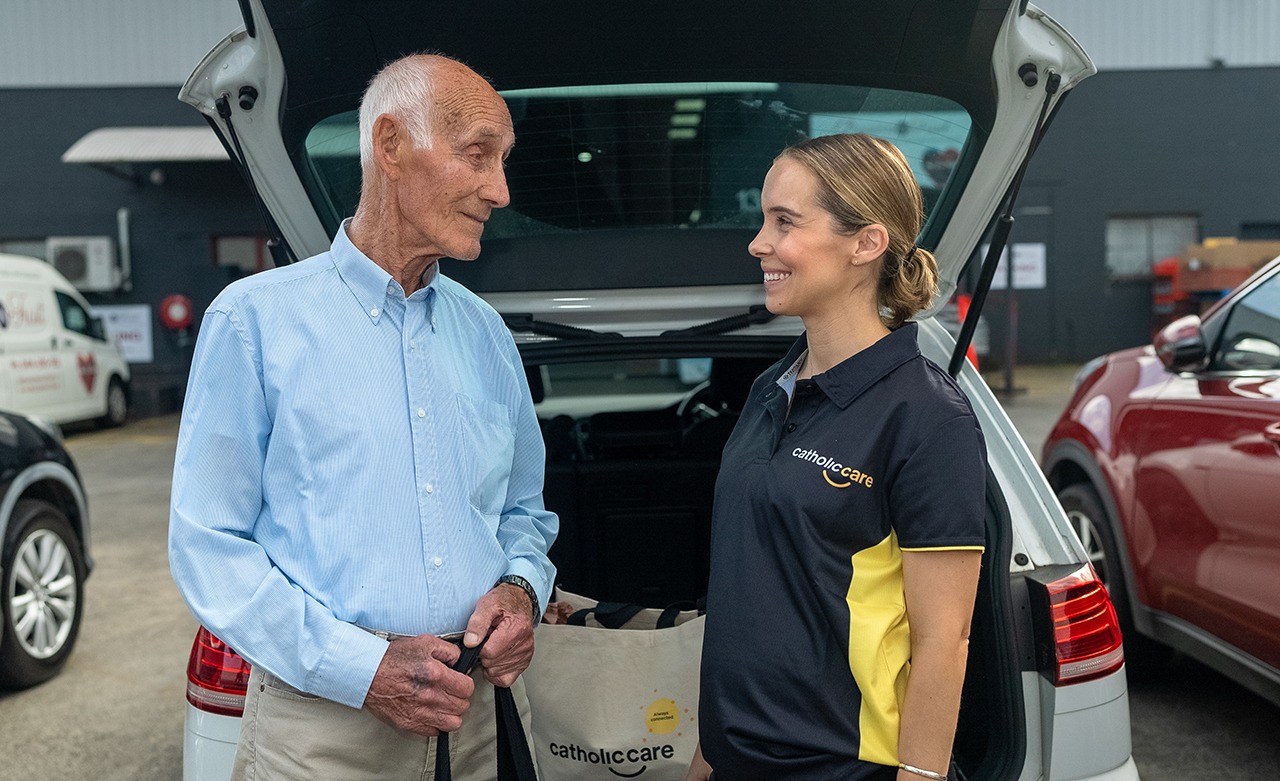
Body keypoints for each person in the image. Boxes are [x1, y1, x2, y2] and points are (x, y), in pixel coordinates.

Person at [169, 53, 557, 780]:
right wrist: (362, 667)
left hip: (479, 718)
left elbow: (523, 512)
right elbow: (209, 543)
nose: (500, 190)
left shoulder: (487, 334)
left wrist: (522, 588)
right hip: (324, 729)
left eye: (504, 162)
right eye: (479, 154)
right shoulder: (255, 322)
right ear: (389, 145)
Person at [686, 133, 987, 781]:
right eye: (763, 219)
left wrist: (923, 776)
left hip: (847, 767)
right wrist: (707, 752)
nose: (758, 242)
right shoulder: (770, 389)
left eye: (784, 221)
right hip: (737, 759)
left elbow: (944, 638)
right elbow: (747, 586)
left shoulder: (926, 415)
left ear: (866, 243)